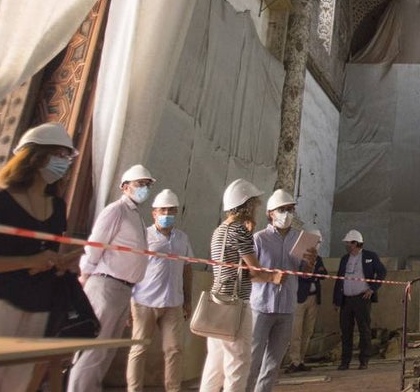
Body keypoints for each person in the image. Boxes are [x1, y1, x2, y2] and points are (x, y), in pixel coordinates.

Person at [0, 123, 78, 392]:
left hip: (38, 307)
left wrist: (60, 261)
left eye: (67, 157)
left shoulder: (57, 207)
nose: (64, 163)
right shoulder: (2, 202)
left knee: (17, 385)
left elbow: (48, 253)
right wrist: (26, 261)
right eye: (60, 155)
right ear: (36, 156)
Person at [69, 163, 156, 392]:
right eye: (140, 184)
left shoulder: (135, 216)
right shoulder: (116, 211)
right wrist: (84, 277)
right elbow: (95, 246)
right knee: (94, 350)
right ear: (125, 186)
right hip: (105, 286)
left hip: (122, 290)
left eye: (146, 185)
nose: (144, 189)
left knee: (106, 351)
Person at [199, 179, 283, 392]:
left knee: (215, 366)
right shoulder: (240, 231)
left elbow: (237, 268)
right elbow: (254, 270)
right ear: (245, 205)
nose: (256, 208)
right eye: (254, 204)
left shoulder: (219, 230)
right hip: (235, 303)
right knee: (238, 362)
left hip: (217, 299)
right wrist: (273, 277)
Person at [128, 188, 193, 392]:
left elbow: (187, 269)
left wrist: (188, 299)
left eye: (171, 211)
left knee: (174, 349)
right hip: (143, 301)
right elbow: (131, 268)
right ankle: (134, 389)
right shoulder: (143, 236)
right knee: (139, 349)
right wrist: (127, 302)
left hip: (173, 302)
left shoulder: (182, 239)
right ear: (154, 213)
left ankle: (173, 389)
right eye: (163, 211)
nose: (167, 215)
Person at [248, 189, 311, 392]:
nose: (287, 213)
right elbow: (248, 273)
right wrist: (271, 278)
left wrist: (310, 264)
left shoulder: (300, 239)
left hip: (286, 307)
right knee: (252, 360)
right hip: (261, 306)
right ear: (270, 213)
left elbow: (304, 274)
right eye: (282, 209)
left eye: (290, 209)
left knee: (273, 364)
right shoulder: (259, 239)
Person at [333, 229, 387, 371]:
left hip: (362, 298)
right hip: (346, 300)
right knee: (346, 330)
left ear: (356, 243)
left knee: (364, 329)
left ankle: (364, 360)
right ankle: (345, 361)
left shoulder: (370, 256)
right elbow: (339, 279)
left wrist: (372, 288)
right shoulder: (345, 259)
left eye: (349, 243)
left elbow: (382, 272)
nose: (347, 246)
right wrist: (336, 300)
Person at [284, 229, 326, 373]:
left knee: (308, 331)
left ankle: (301, 360)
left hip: (313, 298)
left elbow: (323, 273)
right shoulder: (298, 257)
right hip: (299, 298)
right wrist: (313, 274)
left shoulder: (318, 258)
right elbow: (299, 276)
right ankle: (294, 361)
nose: (318, 245)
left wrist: (315, 274)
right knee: (296, 332)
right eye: (317, 241)